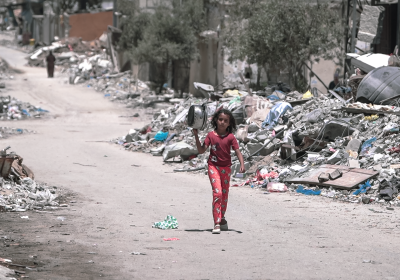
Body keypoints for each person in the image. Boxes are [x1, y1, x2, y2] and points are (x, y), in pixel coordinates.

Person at [193, 109, 245, 234]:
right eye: (220, 119)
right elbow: (201, 151)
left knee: (225, 196)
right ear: (216, 120)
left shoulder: (231, 137)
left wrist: (242, 164)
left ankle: (222, 218)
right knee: (218, 193)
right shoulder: (211, 135)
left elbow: (237, 151)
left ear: (229, 123)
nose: (222, 122)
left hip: (226, 169)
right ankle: (216, 223)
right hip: (213, 167)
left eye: (225, 121)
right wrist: (195, 135)